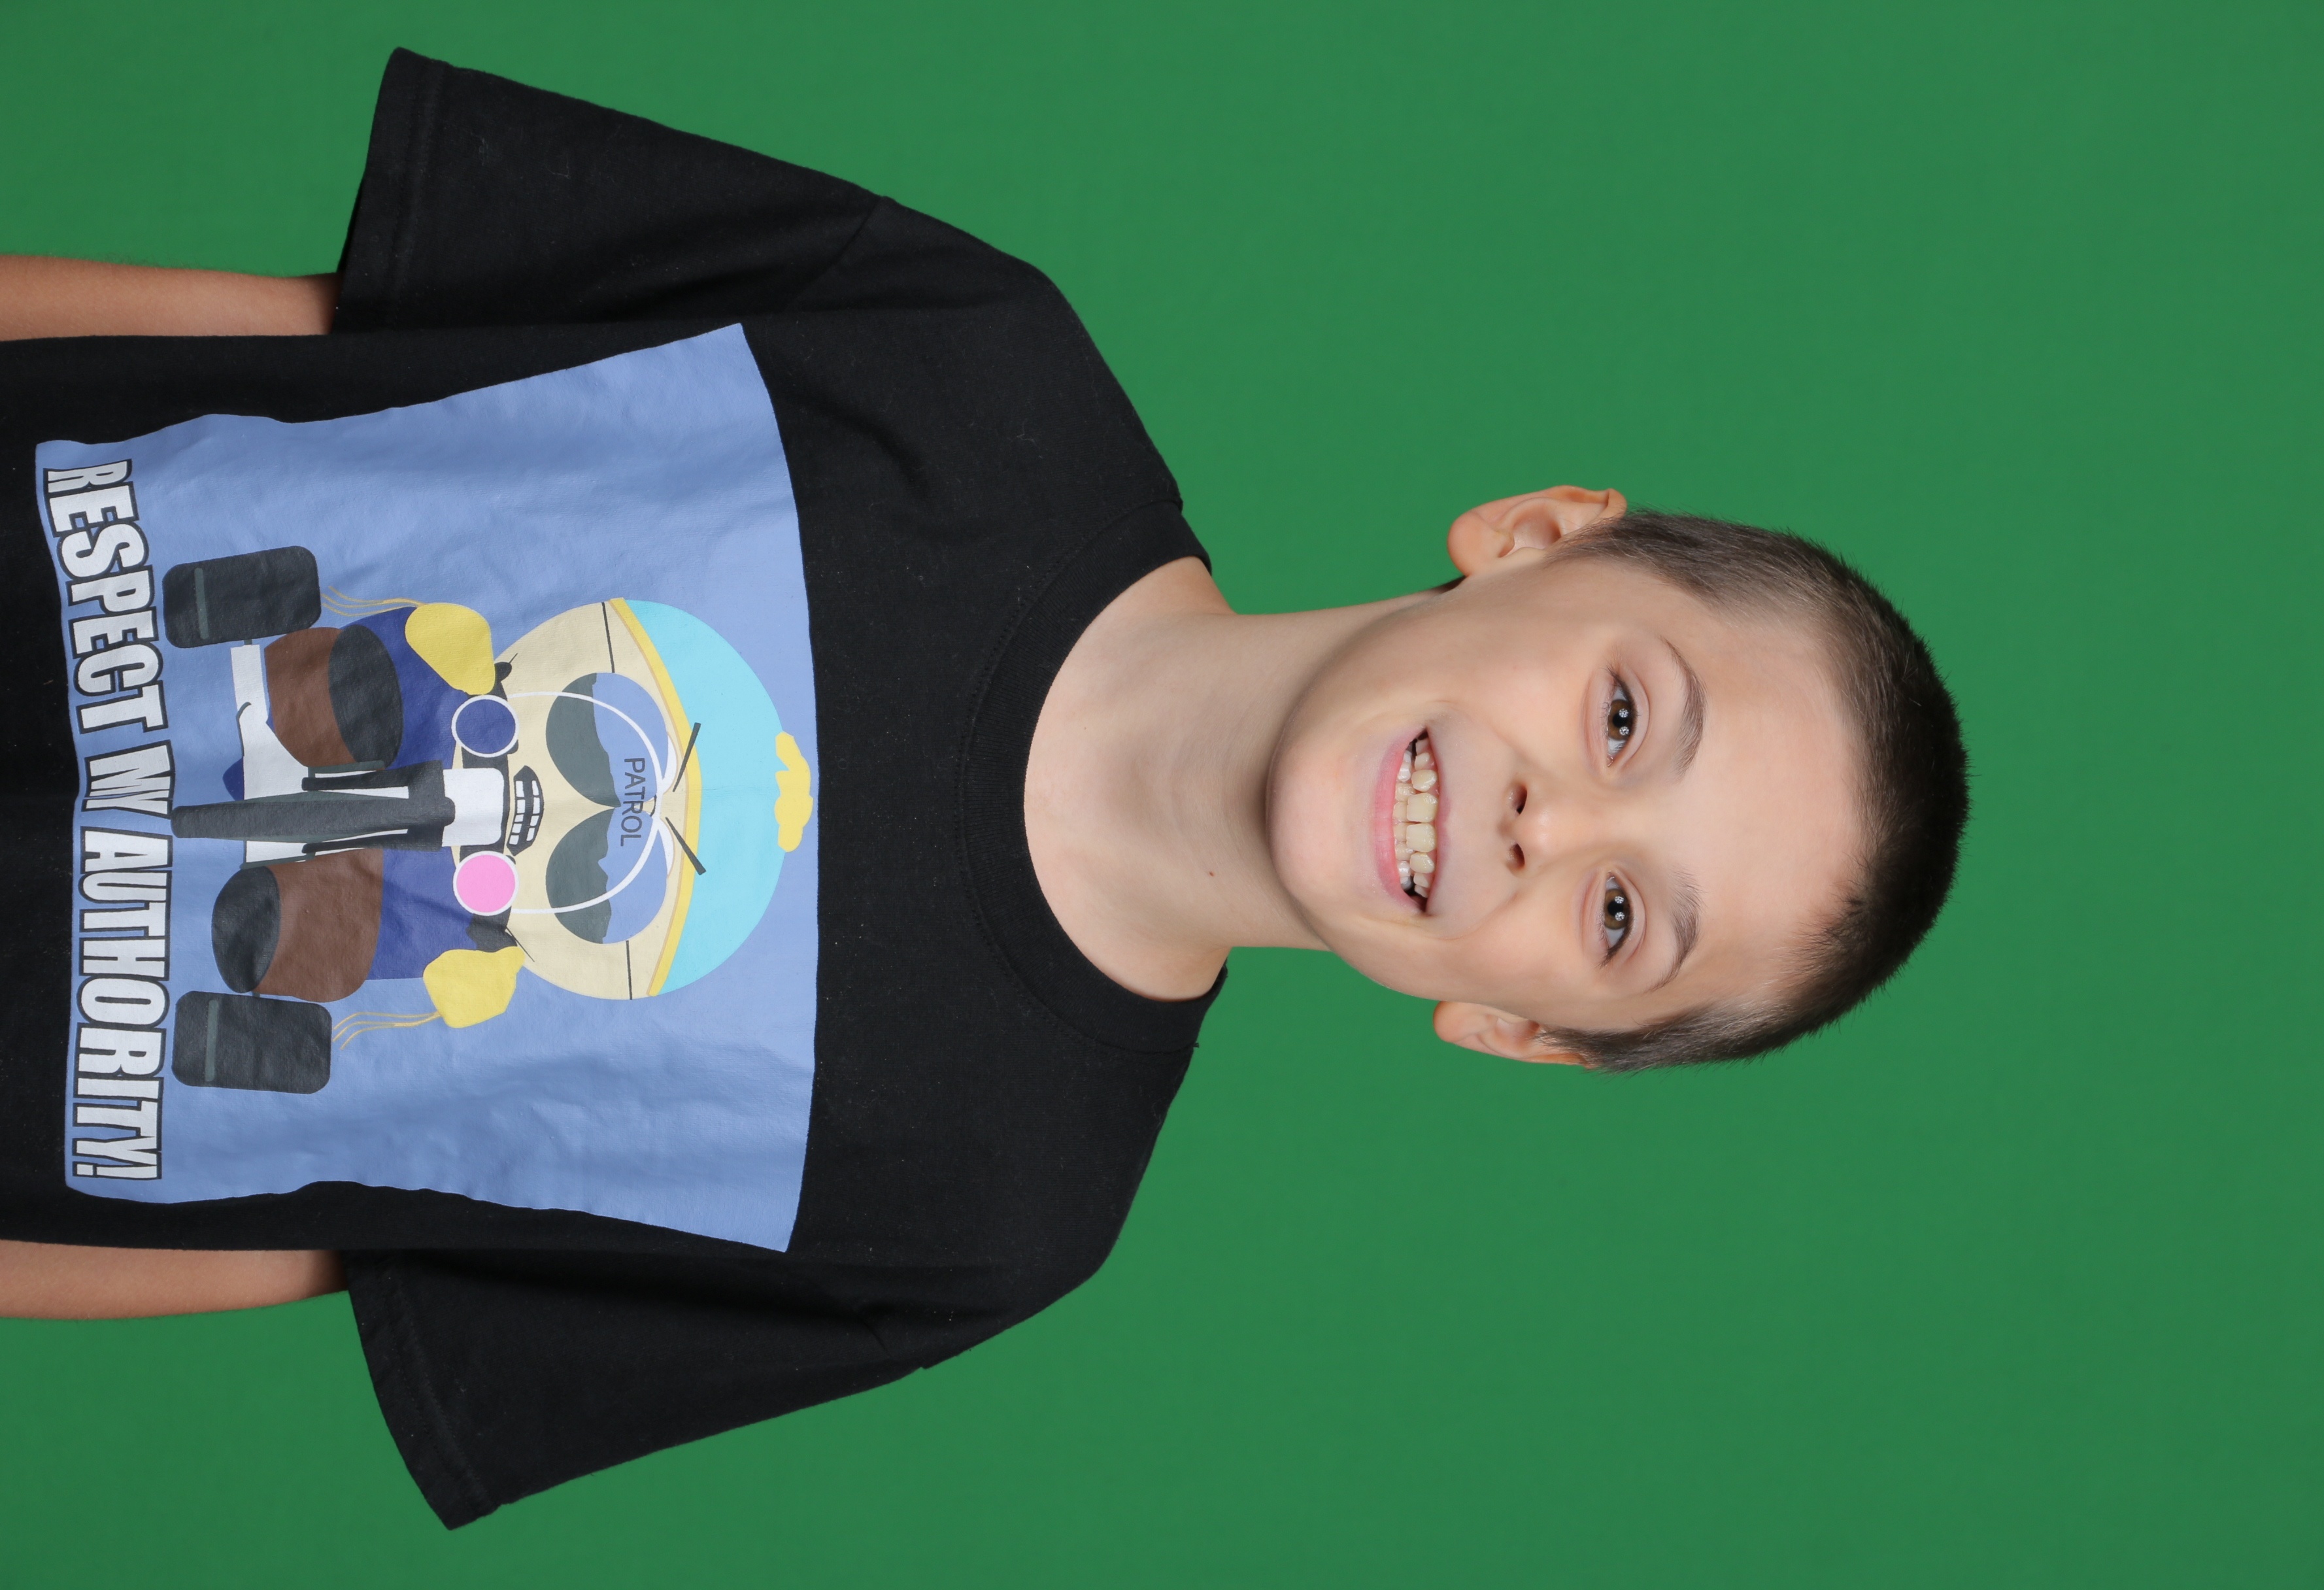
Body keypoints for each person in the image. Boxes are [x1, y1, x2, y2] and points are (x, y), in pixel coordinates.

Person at [0, 50, 1966, 1524]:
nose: (1553, 823)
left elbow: (325, 1234)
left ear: (1522, 1028)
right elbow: (317, 332)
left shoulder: (992, 1216)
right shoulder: (966, 358)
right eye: (1626, 718)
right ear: (1541, 534)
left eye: (1621, 917)